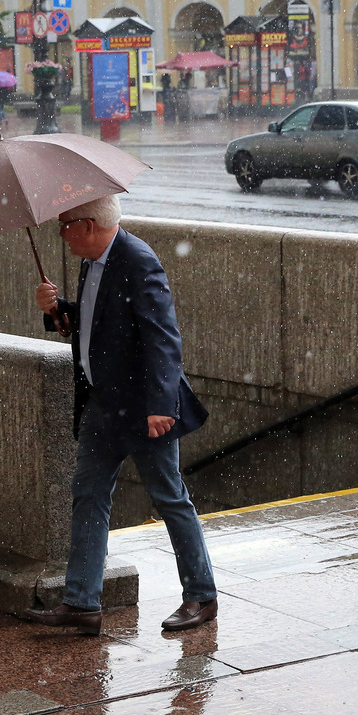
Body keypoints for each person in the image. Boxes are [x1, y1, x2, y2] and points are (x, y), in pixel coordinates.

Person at [24, 195, 218, 636]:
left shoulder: (137, 260)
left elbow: (163, 338)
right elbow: (95, 325)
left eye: (65, 224)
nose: (61, 233)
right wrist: (58, 311)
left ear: (88, 225)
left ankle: (202, 595)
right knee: (88, 495)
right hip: (101, 405)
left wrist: (160, 407)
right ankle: (81, 603)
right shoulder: (92, 260)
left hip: (140, 409)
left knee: (169, 498)